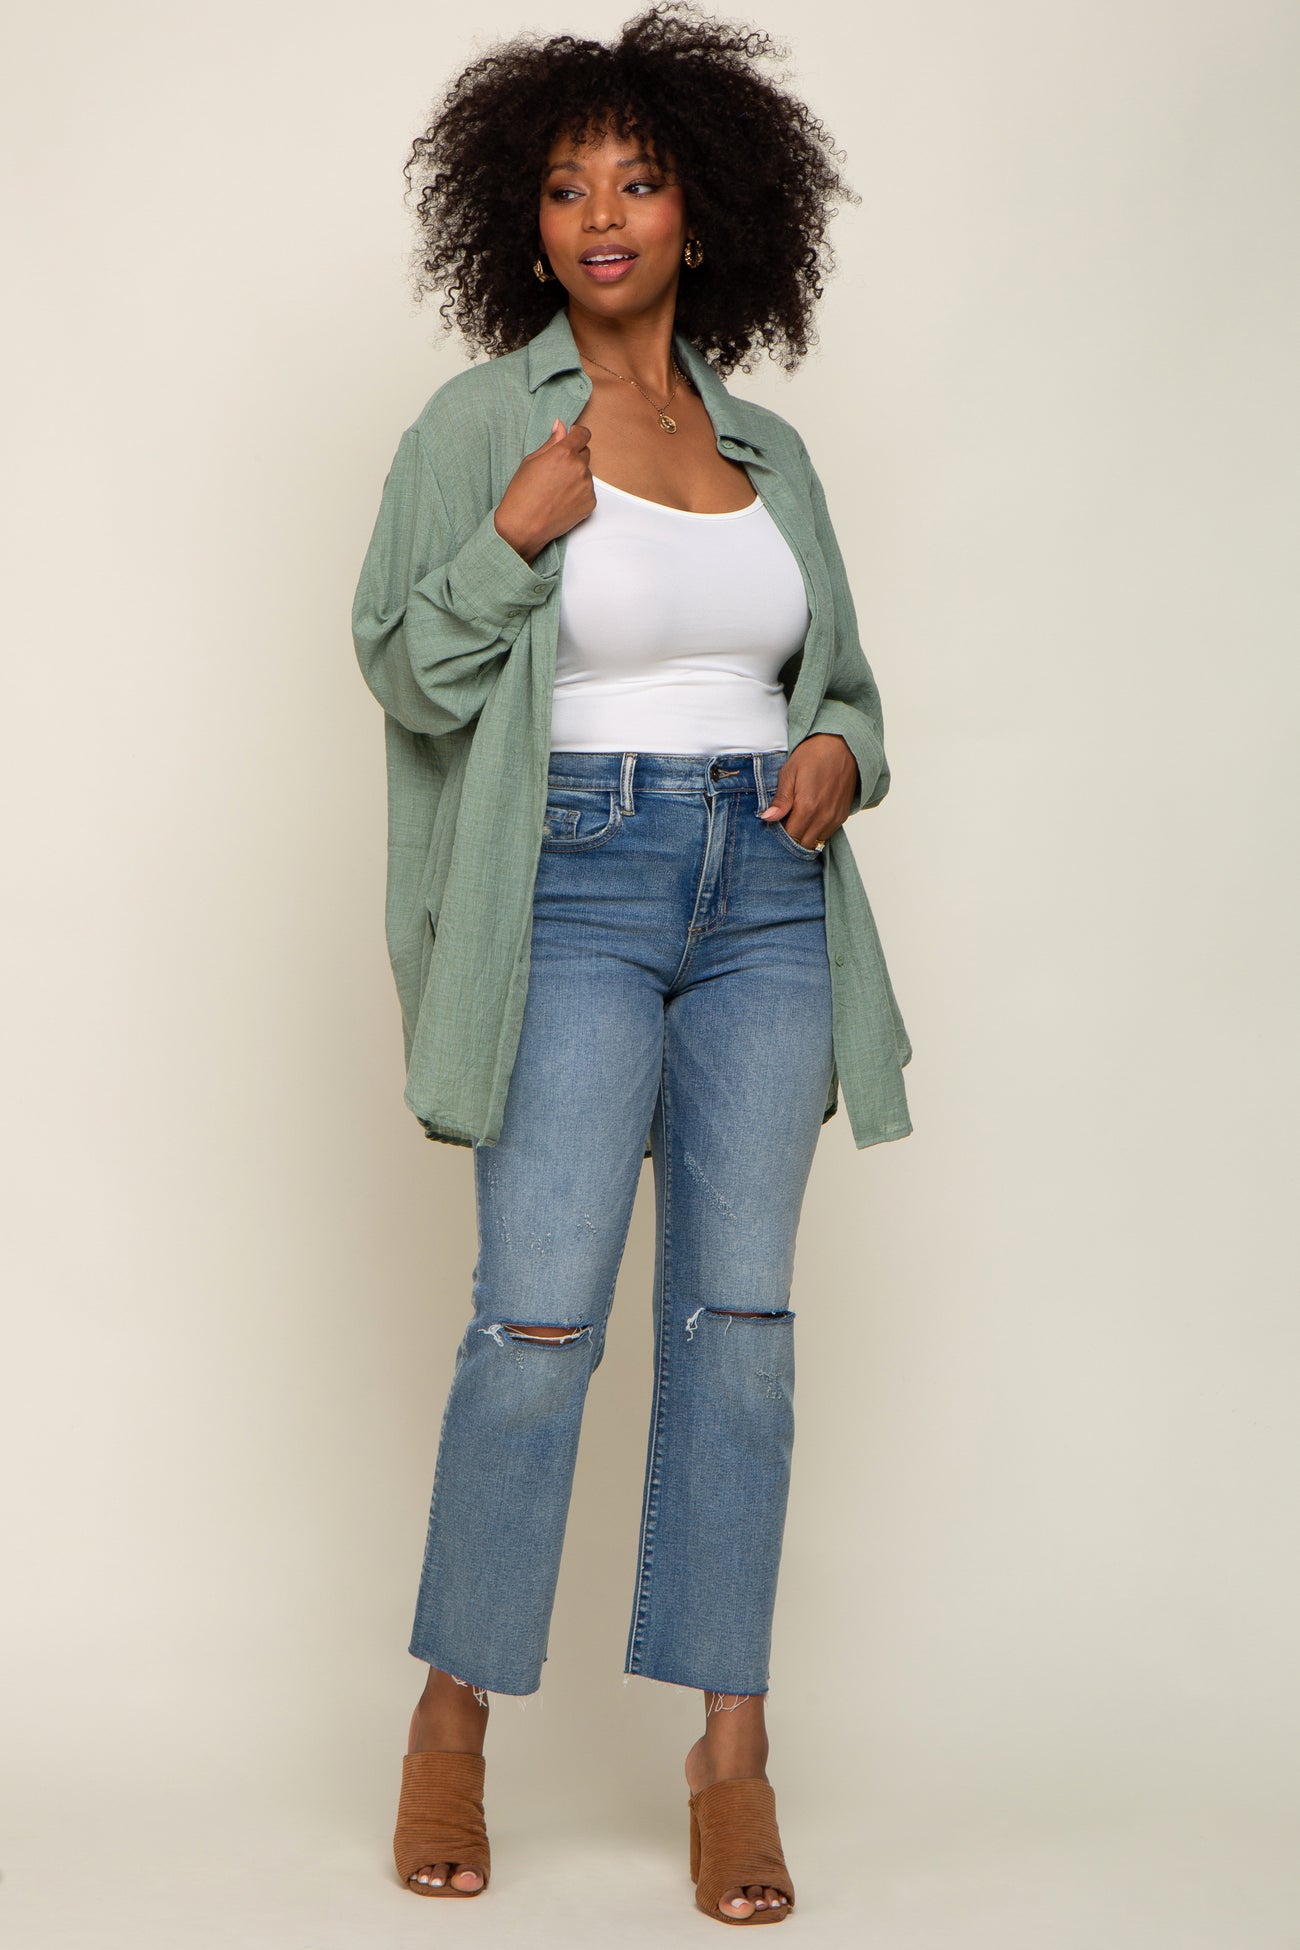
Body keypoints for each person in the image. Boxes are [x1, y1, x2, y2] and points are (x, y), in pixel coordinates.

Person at [351, 1, 912, 1923]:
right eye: (566, 185)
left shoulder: (768, 448)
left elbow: (843, 688)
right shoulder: (479, 430)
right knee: (537, 1326)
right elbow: (406, 671)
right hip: (574, 888)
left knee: (740, 1336)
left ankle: (730, 1753)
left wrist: (837, 750)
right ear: (521, 226)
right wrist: (514, 542)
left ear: (702, 211)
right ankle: (450, 1718)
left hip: (766, 893)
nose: (603, 213)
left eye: (640, 179)